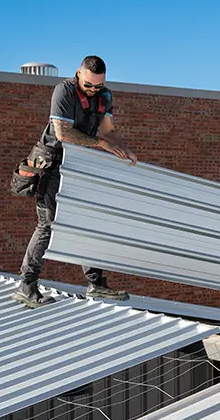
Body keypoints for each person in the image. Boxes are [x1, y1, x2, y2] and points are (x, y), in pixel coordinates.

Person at [13, 55, 138, 308]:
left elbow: (108, 131)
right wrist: (102, 144)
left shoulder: (105, 96)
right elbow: (63, 133)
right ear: (79, 73)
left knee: (88, 223)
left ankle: (96, 285)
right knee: (48, 225)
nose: (93, 90)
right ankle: (26, 286)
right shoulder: (64, 91)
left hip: (80, 165)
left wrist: (124, 150)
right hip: (52, 164)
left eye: (98, 86)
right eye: (89, 85)